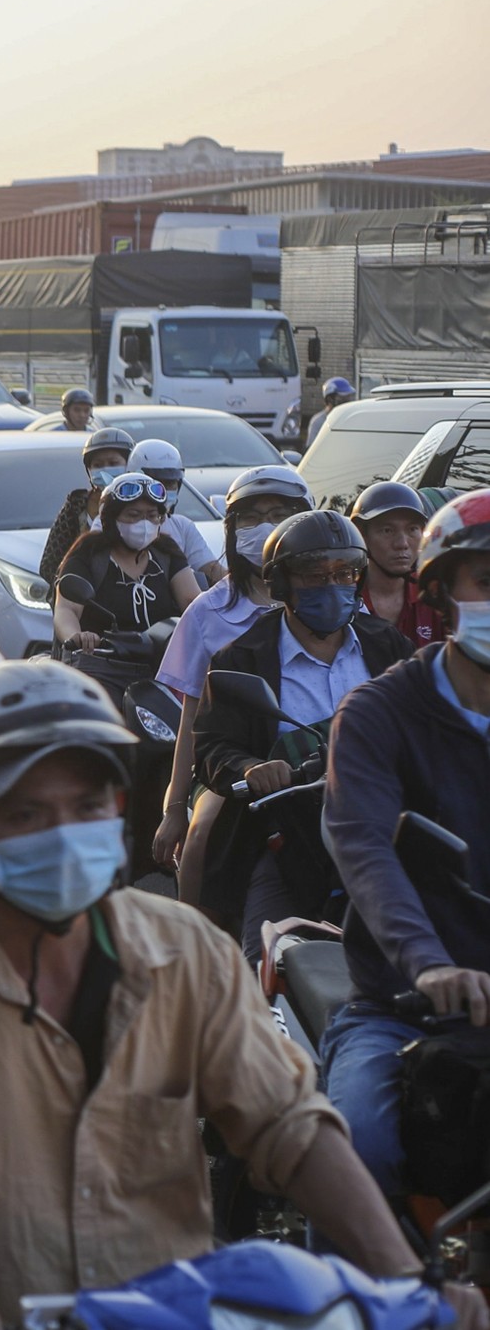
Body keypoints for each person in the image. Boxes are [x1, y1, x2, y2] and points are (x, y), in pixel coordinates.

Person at [0, 658, 481, 1330]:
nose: (62, 833)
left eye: (86, 805)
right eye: (25, 813)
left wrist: (410, 1285)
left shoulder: (186, 952)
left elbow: (288, 1126)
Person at [320, 487, 490, 1202]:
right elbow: (365, 849)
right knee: (360, 1150)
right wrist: (428, 965)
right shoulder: (378, 713)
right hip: (402, 1009)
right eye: (488, 579)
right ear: (443, 591)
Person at [194, 510, 411, 957]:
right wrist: (251, 767)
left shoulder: (388, 646)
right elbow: (213, 746)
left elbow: (427, 721)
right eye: (314, 576)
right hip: (288, 837)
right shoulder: (242, 658)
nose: (332, 587)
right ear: (281, 584)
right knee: (266, 959)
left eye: (345, 574)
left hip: (385, 826)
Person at [150, 465, 312, 904]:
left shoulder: (333, 602)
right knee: (203, 840)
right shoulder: (209, 612)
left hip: (324, 761)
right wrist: (175, 808)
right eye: (250, 518)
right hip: (234, 768)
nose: (264, 528)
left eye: (279, 514)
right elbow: (192, 724)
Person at [51, 472, 200, 674]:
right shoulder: (89, 554)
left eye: (151, 515)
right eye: (133, 515)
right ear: (110, 519)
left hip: (163, 668)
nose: (144, 523)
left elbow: (193, 602)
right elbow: (66, 610)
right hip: (101, 667)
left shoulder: (166, 552)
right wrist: (77, 636)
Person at [350, 481, 443, 648]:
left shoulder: (435, 595)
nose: (402, 543)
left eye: (412, 529)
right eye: (387, 530)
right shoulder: (344, 598)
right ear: (362, 535)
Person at [38, 426, 134, 585]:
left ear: (129, 464)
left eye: (113, 463)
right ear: (89, 470)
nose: (105, 469)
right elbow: (49, 564)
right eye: (98, 464)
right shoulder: (76, 505)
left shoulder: (143, 504)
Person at [124, 439, 223, 583]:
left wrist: (247, 586)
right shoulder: (111, 525)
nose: (163, 490)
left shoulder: (182, 527)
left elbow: (212, 569)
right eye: (156, 483)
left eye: (170, 483)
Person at [309, 376, 356, 446]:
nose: (347, 401)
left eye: (348, 397)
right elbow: (311, 448)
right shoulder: (318, 422)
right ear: (330, 398)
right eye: (342, 397)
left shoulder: (351, 419)